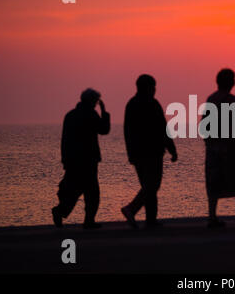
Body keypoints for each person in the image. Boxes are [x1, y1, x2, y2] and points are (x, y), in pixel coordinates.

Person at [202, 68, 235, 228]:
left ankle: (212, 217)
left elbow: (204, 125)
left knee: (214, 182)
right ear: (231, 82)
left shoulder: (211, 99)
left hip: (213, 148)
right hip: (230, 147)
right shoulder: (232, 100)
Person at [121, 74, 178, 228]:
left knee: (149, 186)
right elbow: (163, 129)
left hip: (138, 153)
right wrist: (172, 149)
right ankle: (132, 209)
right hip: (152, 152)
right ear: (147, 87)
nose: (154, 90)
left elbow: (128, 132)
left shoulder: (131, 104)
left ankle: (150, 220)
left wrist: (130, 153)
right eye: (153, 87)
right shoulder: (152, 104)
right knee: (152, 185)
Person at [52, 88, 110, 229]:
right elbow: (104, 129)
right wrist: (104, 112)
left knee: (75, 190)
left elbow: (65, 140)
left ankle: (61, 211)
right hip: (88, 159)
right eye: (96, 101)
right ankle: (87, 220)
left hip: (73, 159)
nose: (96, 103)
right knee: (91, 192)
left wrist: (65, 159)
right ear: (92, 101)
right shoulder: (90, 114)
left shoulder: (70, 115)